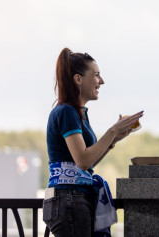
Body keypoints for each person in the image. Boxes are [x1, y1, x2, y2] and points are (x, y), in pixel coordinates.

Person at [43, 48, 143, 237]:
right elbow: (83, 161)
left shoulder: (77, 113)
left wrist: (112, 141)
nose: (101, 81)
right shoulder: (67, 112)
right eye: (96, 75)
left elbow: (87, 163)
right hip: (70, 197)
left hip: (73, 197)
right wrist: (112, 131)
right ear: (78, 79)